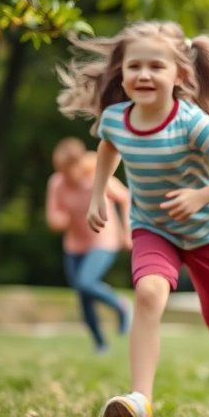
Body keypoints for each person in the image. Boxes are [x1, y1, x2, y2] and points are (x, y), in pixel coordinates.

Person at [58, 20, 209, 417]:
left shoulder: (191, 122)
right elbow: (108, 147)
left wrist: (201, 196)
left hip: (208, 233)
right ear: (122, 73)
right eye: (134, 66)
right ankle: (140, 399)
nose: (144, 74)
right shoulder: (116, 118)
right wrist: (98, 194)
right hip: (153, 229)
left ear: (180, 74)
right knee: (149, 294)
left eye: (156, 66)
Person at [46, 140, 132, 353]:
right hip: (75, 245)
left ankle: (121, 305)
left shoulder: (97, 178)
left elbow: (125, 198)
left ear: (78, 164)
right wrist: (59, 220)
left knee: (85, 282)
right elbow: (53, 216)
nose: (64, 176)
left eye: (67, 171)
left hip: (103, 239)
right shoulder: (57, 183)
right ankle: (100, 345)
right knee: (83, 296)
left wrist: (127, 231)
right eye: (60, 171)